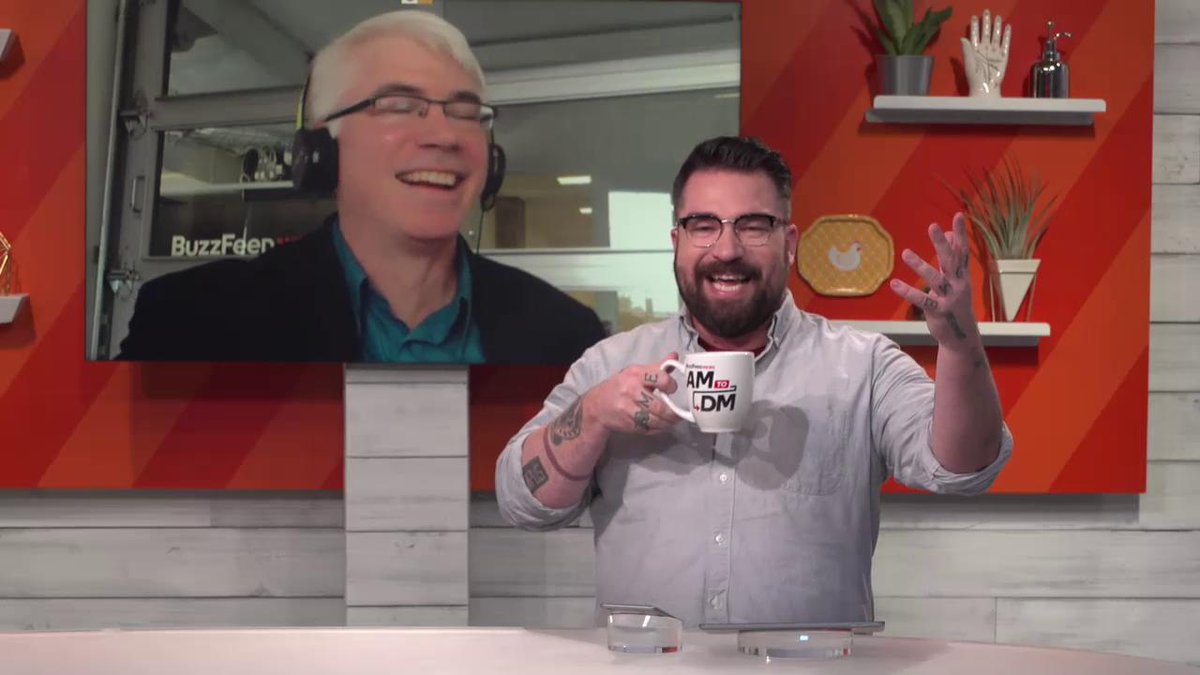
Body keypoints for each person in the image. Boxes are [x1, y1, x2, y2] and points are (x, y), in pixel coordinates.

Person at [495, 136, 1012, 626]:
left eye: (753, 225)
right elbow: (522, 501)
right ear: (676, 242)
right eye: (703, 225)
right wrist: (591, 416)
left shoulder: (864, 366)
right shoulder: (609, 365)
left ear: (790, 243)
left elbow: (962, 469)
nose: (726, 249)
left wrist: (960, 344)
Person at [117, 10, 606, 364]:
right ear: (320, 151)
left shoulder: (567, 337)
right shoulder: (192, 321)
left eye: (465, 112)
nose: (445, 135)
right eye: (398, 105)